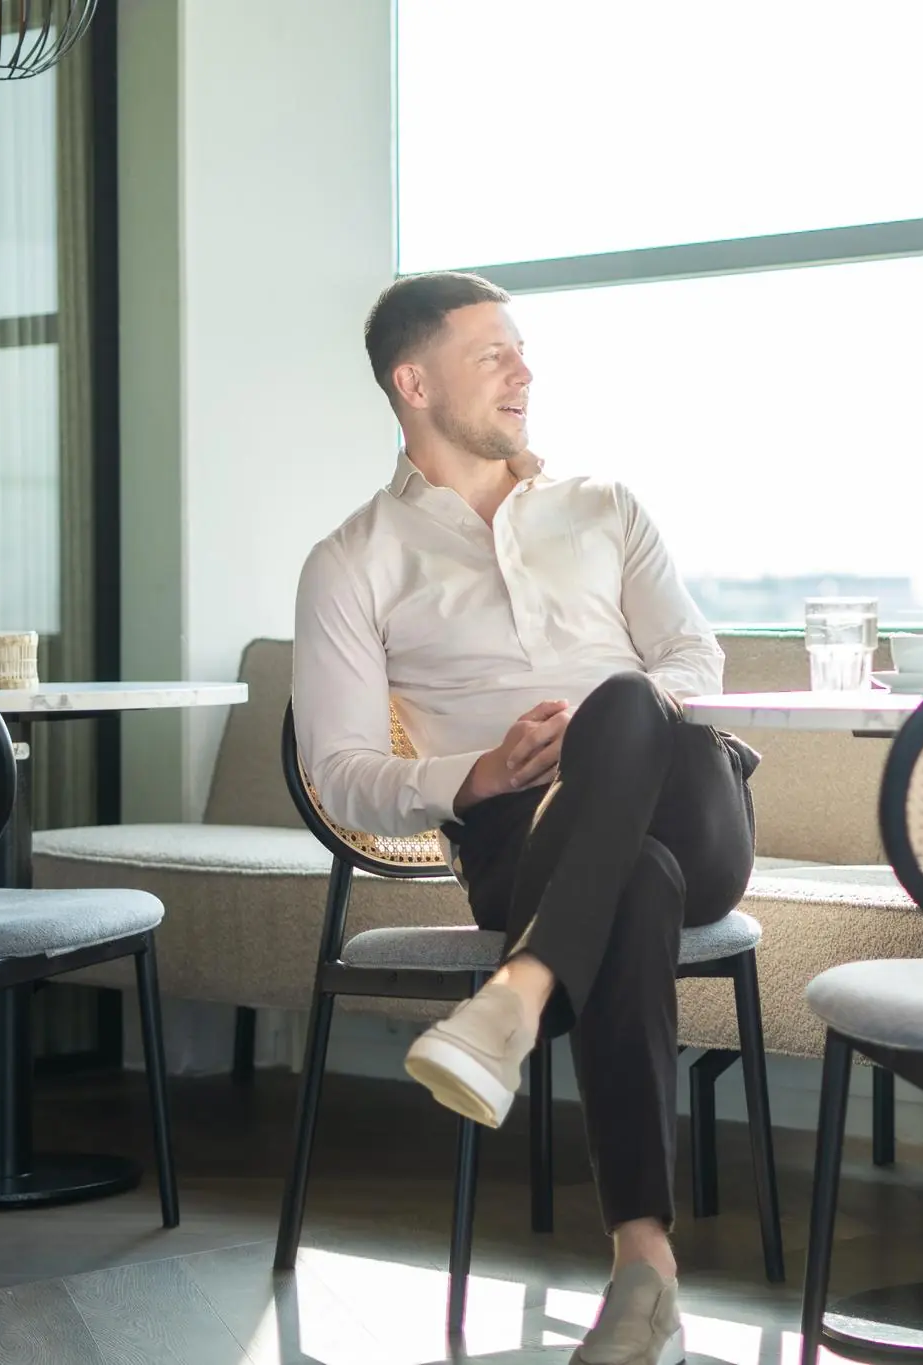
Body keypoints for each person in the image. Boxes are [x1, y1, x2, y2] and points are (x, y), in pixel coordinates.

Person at [293, 271, 749, 1365]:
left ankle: (516, 995)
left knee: (632, 701)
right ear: (412, 382)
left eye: (522, 351)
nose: (524, 372)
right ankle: (644, 1270)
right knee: (628, 881)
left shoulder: (606, 507)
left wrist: (608, 729)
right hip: (518, 841)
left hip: (692, 803)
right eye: (492, 353)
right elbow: (340, 773)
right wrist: (482, 770)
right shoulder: (351, 562)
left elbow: (695, 659)